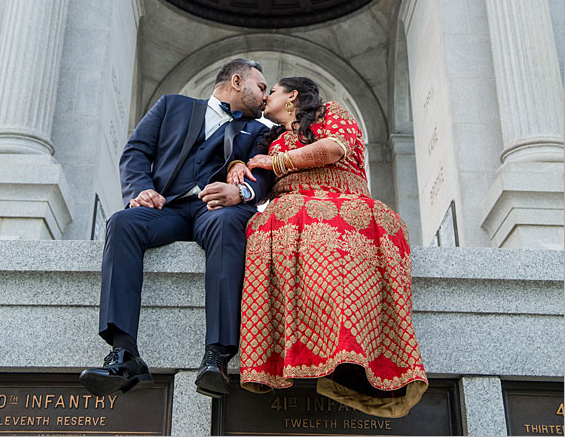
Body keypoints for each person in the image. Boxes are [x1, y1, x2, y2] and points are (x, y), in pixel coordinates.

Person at [228, 77, 428, 418]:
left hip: (344, 203)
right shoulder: (271, 138)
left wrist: (274, 164)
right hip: (290, 210)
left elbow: (334, 148)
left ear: (292, 96)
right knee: (266, 224)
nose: (265, 98)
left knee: (336, 229)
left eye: (271, 91)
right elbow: (253, 174)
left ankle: (351, 360)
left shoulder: (330, 112)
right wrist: (237, 166)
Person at [80, 59, 272, 399]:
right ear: (237, 81)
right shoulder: (172, 105)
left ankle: (218, 355)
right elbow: (137, 151)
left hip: (217, 210)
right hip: (166, 208)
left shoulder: (260, 131)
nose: (265, 94)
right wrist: (140, 189)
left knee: (230, 223)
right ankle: (124, 354)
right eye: (260, 86)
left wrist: (240, 193)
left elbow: (266, 174)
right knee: (122, 222)